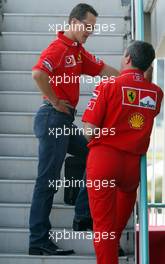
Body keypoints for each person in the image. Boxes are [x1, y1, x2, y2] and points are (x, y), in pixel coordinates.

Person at [29, 3, 119, 255]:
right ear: (73, 22)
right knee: (47, 181)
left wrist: (128, 80)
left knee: (94, 156)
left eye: (92, 28)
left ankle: (81, 216)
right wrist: (54, 100)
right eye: (87, 26)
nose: (89, 31)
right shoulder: (58, 48)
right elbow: (38, 73)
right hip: (52, 118)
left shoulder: (78, 52)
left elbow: (103, 70)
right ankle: (38, 240)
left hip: (64, 122)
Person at [82, 41, 163, 264]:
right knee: (118, 215)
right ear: (148, 65)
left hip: (105, 159)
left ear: (127, 58)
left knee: (103, 226)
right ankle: (114, 244)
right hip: (132, 166)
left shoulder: (108, 86)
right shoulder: (156, 93)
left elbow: (89, 131)